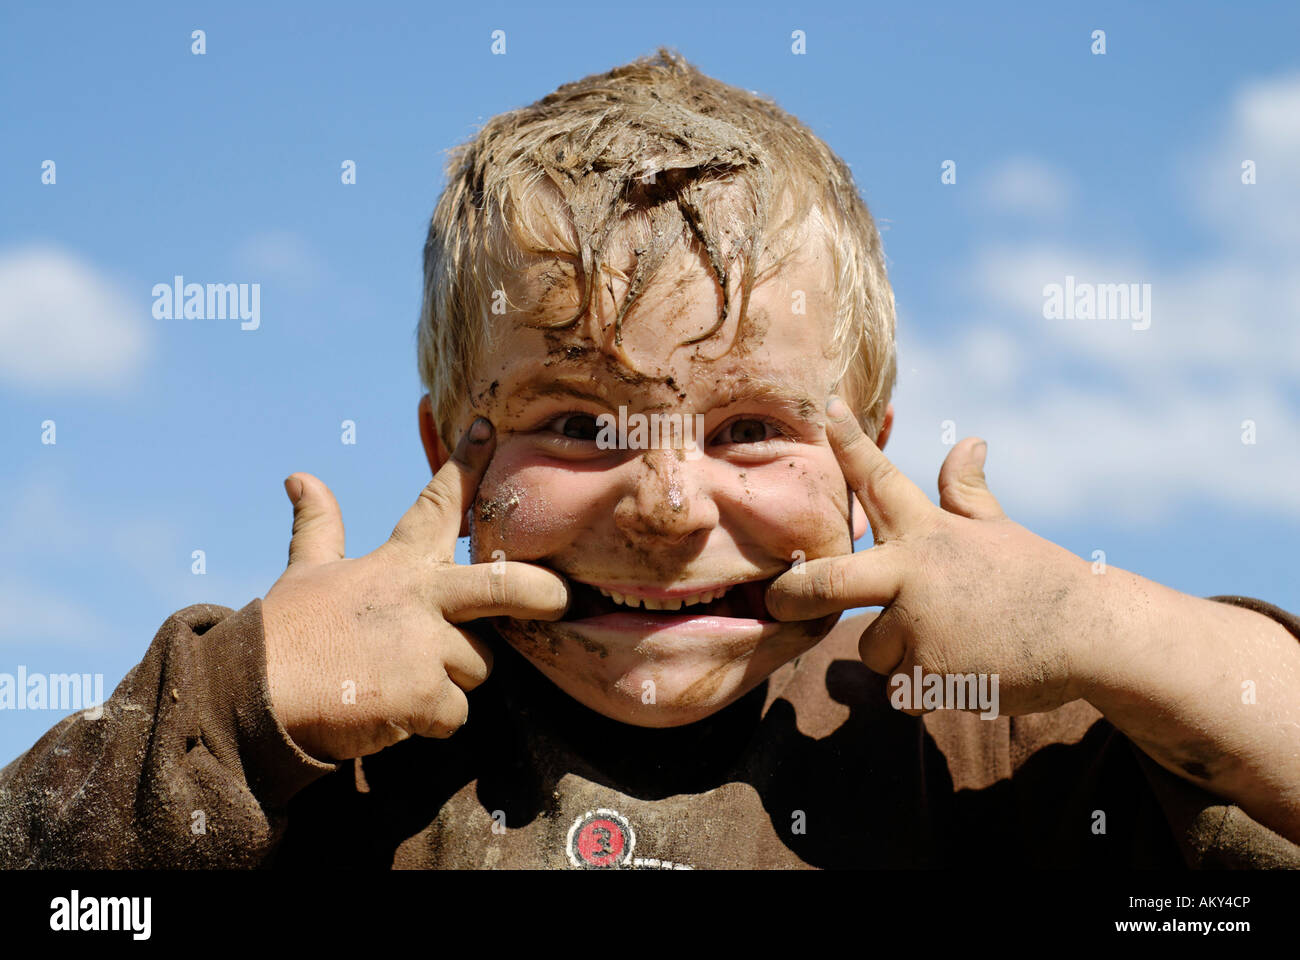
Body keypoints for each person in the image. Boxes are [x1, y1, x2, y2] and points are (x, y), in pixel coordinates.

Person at [3, 47, 1297, 869]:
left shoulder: (982, 735)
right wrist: (241, 707)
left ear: (866, 463)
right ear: (454, 452)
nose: (672, 507)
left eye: (750, 431)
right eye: (576, 423)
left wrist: (1096, 625)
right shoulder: (331, 746)